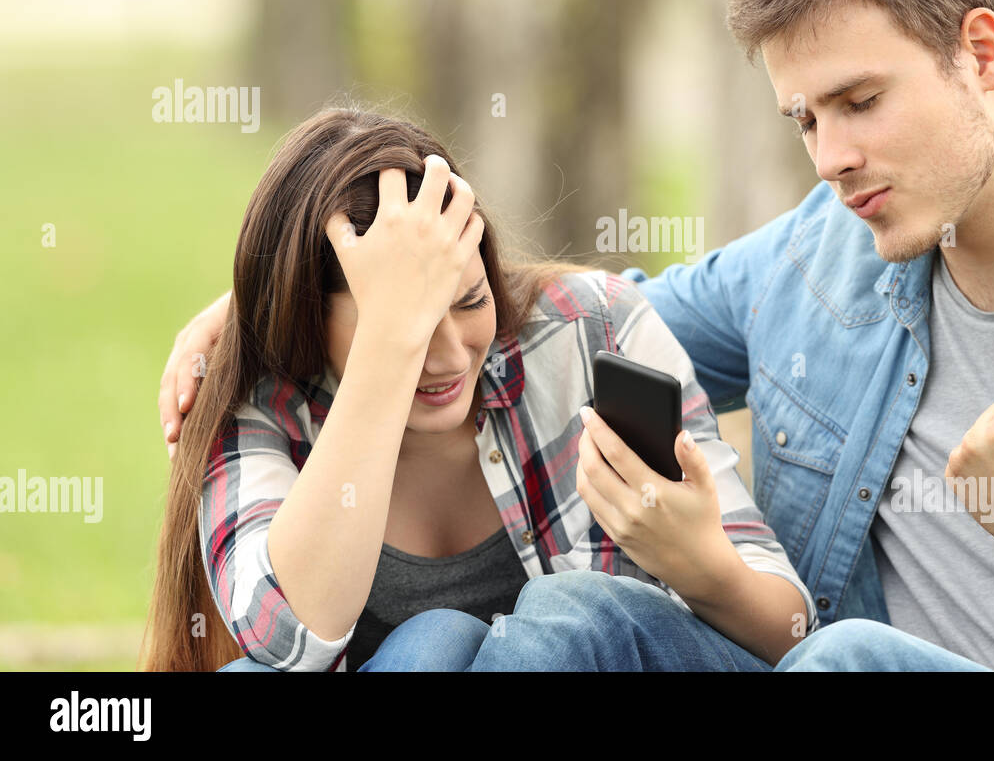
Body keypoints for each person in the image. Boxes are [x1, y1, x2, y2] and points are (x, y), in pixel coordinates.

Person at [159, 0, 994, 673]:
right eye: (804, 118)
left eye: (860, 101)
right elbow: (565, 319)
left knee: (841, 653)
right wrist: (289, 300)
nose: (831, 154)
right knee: (565, 618)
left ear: (982, 54)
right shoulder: (822, 252)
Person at [140, 107, 815, 672]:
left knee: (562, 617)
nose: (447, 355)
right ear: (311, 320)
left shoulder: (596, 330)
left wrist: (700, 564)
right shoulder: (260, 402)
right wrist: (384, 351)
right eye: (404, 326)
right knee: (429, 646)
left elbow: (792, 630)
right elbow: (288, 639)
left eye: (467, 302)